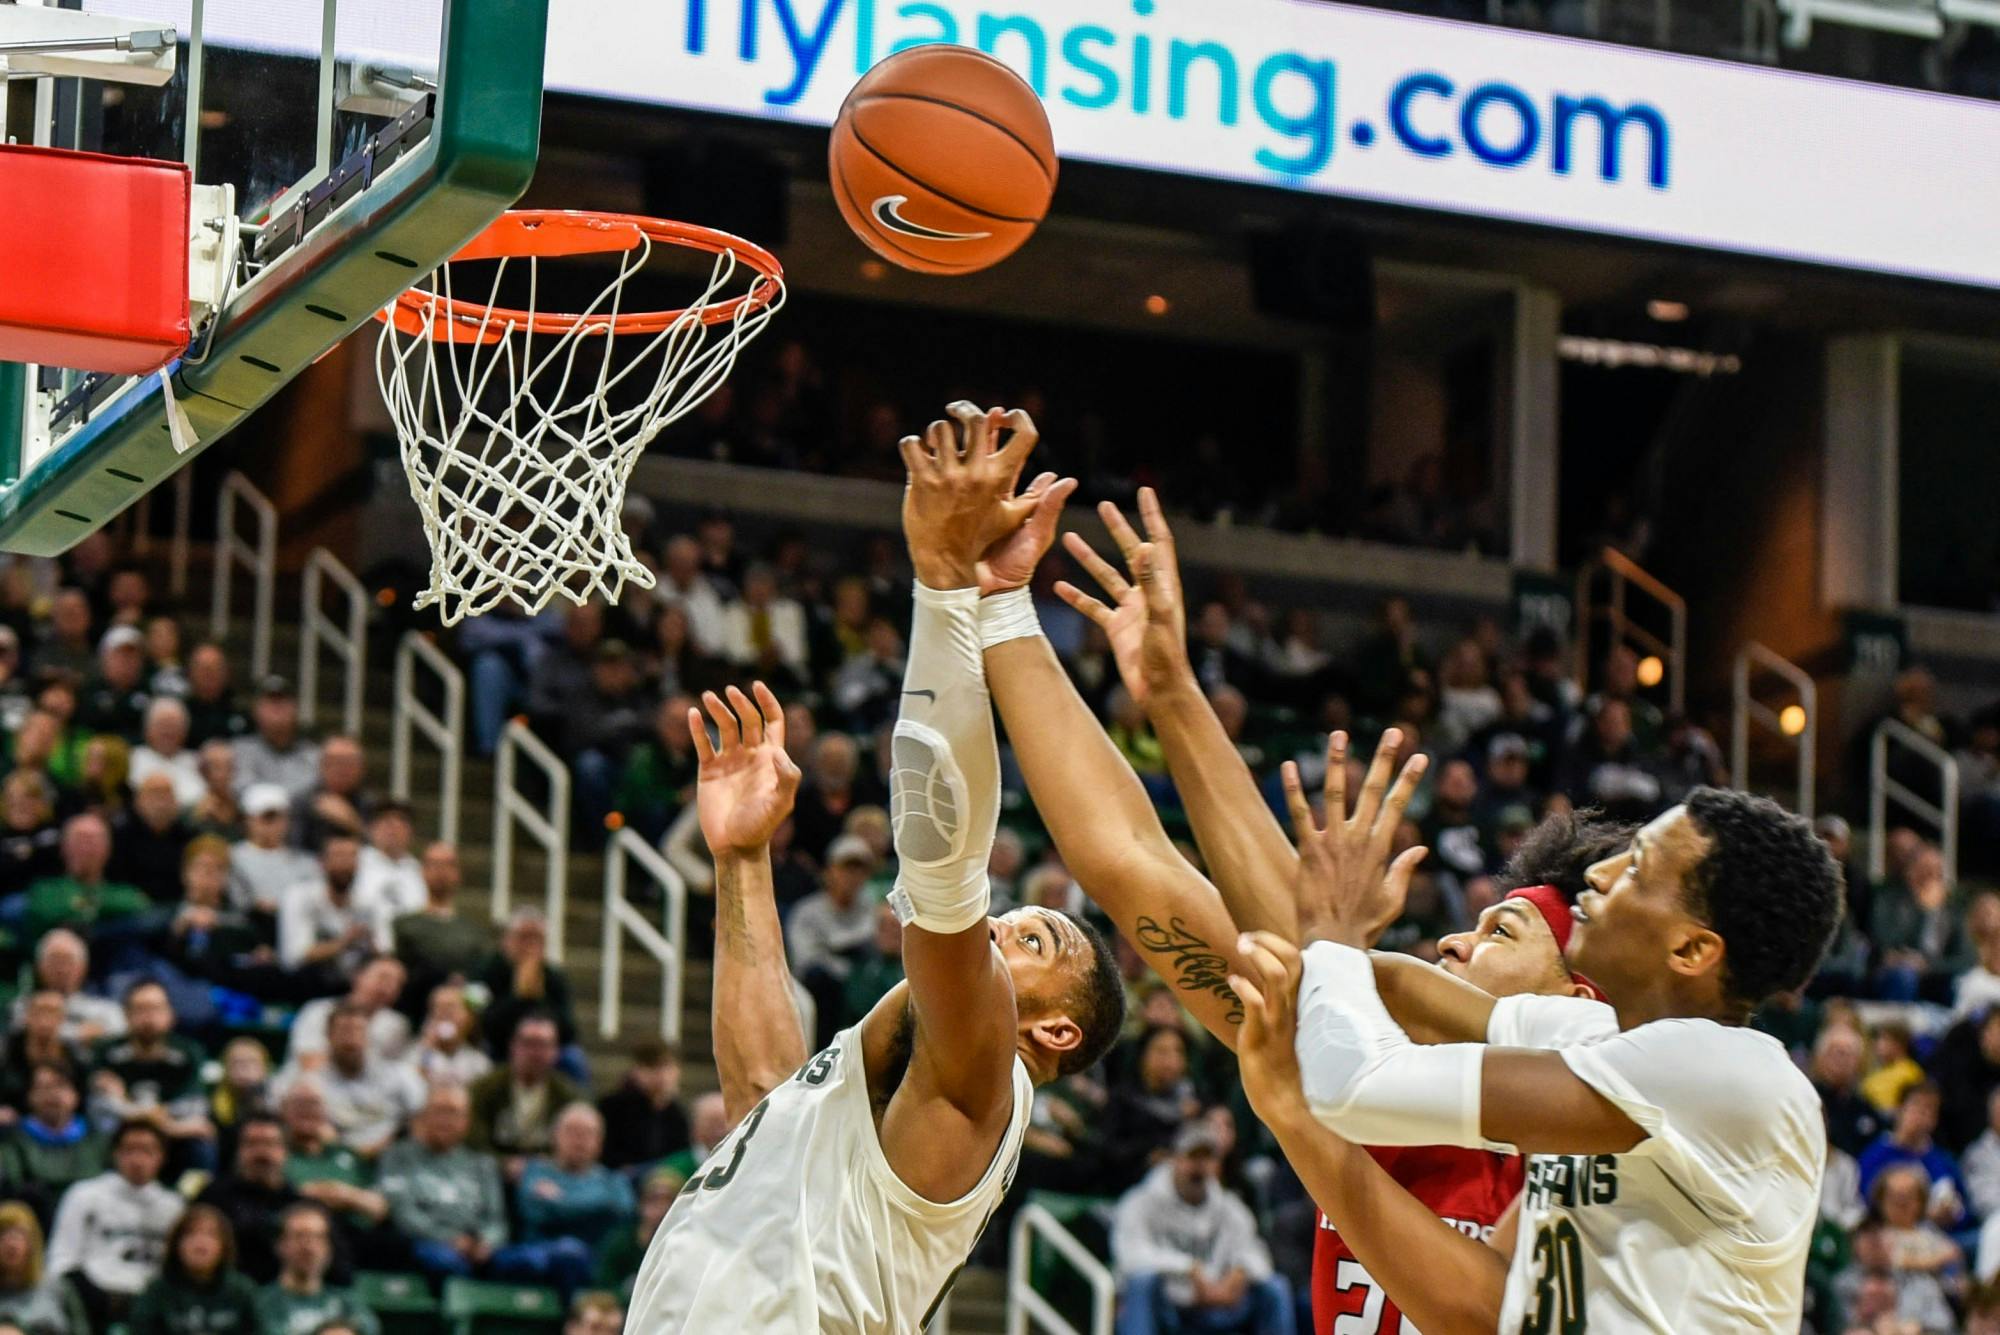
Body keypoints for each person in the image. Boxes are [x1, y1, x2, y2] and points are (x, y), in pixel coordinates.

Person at [631, 414, 1126, 1331]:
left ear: (1055, 1031)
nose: (1002, 925)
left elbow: (943, 865)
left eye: (1034, 936)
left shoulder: (987, 1075)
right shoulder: (899, 1086)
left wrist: (944, 592)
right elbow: (760, 1102)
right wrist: (744, 861)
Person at [1226, 758, 1843, 1330]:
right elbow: (1412, 992)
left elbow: (1356, 1086)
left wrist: (1333, 937)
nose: (1597, 875)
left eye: (1635, 869)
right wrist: (1325, 943)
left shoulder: (1725, 1074)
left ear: (1692, 950)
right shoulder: (1601, 1041)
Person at [1111, 1121, 1293, 1335]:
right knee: (1142, 1282)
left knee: (1274, 1287)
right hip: (1170, 1305)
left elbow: (1258, 1254)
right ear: (1174, 1159)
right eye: (1192, 1157)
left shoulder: (1230, 1207)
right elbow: (1130, 1256)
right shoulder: (1140, 1202)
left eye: (1207, 1158)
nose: (1199, 1166)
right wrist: (1188, 1269)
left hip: (1219, 1304)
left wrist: (1241, 1271)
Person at [45, 1120, 184, 1331]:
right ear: (115, 1154)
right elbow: (60, 1260)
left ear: (162, 1157)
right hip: (94, 1300)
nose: (137, 1160)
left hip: (153, 1305)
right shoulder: (84, 1194)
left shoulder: (174, 1206)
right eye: (129, 1150)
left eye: (147, 1151)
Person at [375, 1086, 508, 1284]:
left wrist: (486, 1242)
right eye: (439, 1111)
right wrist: (450, 1239)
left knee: (531, 1262)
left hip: (477, 1248)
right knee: (443, 1260)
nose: (445, 1120)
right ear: (424, 1116)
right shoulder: (398, 1156)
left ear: (466, 1122)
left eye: (453, 1113)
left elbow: (496, 1219)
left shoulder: (482, 1165)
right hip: (424, 1245)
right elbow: (402, 1213)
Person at [502, 1104, 634, 1298]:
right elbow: (533, 1212)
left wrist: (559, 1201)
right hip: (538, 1255)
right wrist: (598, 1208)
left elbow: (624, 1211)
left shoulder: (614, 1181)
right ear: (554, 1135)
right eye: (572, 1132)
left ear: (600, 1141)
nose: (579, 1140)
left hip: (595, 1261)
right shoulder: (534, 1171)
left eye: (588, 1133)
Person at [88, 982, 214, 1171]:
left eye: (156, 1008)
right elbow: (101, 1111)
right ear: (126, 1015)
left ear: (171, 1015)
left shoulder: (189, 1052)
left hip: (171, 1137)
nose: (149, 1017)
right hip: (122, 1135)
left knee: (201, 1145)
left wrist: (127, 1105)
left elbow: (194, 1108)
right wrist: (155, 1116)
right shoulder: (106, 1051)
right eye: (140, 1009)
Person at [269, 1007, 423, 1159]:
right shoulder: (307, 1080)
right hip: (328, 1158)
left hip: (390, 1157)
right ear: (328, 1036)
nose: (351, 1039)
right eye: (344, 1031)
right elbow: (274, 1106)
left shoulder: (399, 1075)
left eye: (358, 1031)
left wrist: (388, 1142)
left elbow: (422, 1115)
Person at [195, 1114, 302, 1285]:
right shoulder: (213, 1196)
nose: (261, 1152)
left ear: (285, 1151)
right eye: (252, 1143)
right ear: (239, 1150)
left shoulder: (299, 1205)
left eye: (269, 1143)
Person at [0, 1064, 106, 1226]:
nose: (52, 1095)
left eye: (60, 1086)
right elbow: (15, 1185)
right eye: (43, 1087)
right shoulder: (13, 1140)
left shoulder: (97, 1140)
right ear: (30, 1096)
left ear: (75, 1094)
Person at [127, 1205, 259, 1335]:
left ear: (224, 1245)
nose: (200, 1242)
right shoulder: (157, 1291)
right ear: (176, 1244)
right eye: (191, 1234)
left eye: (211, 1235)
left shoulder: (242, 1290)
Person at [254, 1204, 379, 1335]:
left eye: (319, 1237)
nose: (310, 1248)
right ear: (280, 1245)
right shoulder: (261, 1304)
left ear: (329, 1248)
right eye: (299, 1237)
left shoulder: (348, 1304)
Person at [285, 959, 412, 1073]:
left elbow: (398, 1073)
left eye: (397, 983)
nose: (388, 987)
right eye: (383, 978)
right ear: (359, 976)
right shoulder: (318, 1010)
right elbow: (309, 1062)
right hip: (308, 1090)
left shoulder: (396, 1025)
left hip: (369, 1094)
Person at [227, 786, 317, 927]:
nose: (276, 824)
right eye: (268, 818)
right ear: (249, 820)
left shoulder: (306, 862)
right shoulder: (234, 857)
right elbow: (237, 901)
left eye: (281, 817)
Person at [595, 1039, 688, 1172]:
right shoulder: (613, 1106)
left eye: (667, 1067)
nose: (661, 1075)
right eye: (653, 1067)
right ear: (636, 1070)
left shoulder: (677, 1115)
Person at [0, 1201, 89, 1335]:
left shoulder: (58, 1288)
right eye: (3, 1235)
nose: (11, 1244)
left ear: (32, 1243)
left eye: (19, 1235)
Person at [16, 933, 121, 1045]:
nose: (61, 969)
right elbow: (20, 1030)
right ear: (40, 966)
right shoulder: (23, 1006)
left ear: (83, 967)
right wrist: (80, 1033)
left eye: (68, 961)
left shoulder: (105, 1008)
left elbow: (119, 1028)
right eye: (54, 960)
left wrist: (48, 1031)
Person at [594, 1168, 680, 1302]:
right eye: (654, 1200)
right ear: (641, 1203)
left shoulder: (688, 1243)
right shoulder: (621, 1240)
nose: (661, 1207)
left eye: (668, 1201)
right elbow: (604, 1285)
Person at [231, 679, 319, 809]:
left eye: (283, 702)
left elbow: (316, 793)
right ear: (255, 711)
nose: (277, 708)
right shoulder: (237, 751)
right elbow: (240, 790)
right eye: (270, 702)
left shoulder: (315, 756)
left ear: (296, 710)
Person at [350, 803, 423, 926]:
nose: (393, 830)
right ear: (371, 829)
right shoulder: (355, 861)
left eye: (401, 824)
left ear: (411, 832)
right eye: (387, 823)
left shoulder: (420, 870)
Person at [408, 986, 491, 1088]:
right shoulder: (420, 1053)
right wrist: (428, 1049)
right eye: (437, 1009)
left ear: (469, 1019)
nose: (443, 1016)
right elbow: (412, 1086)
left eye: (450, 1010)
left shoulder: (479, 1062)